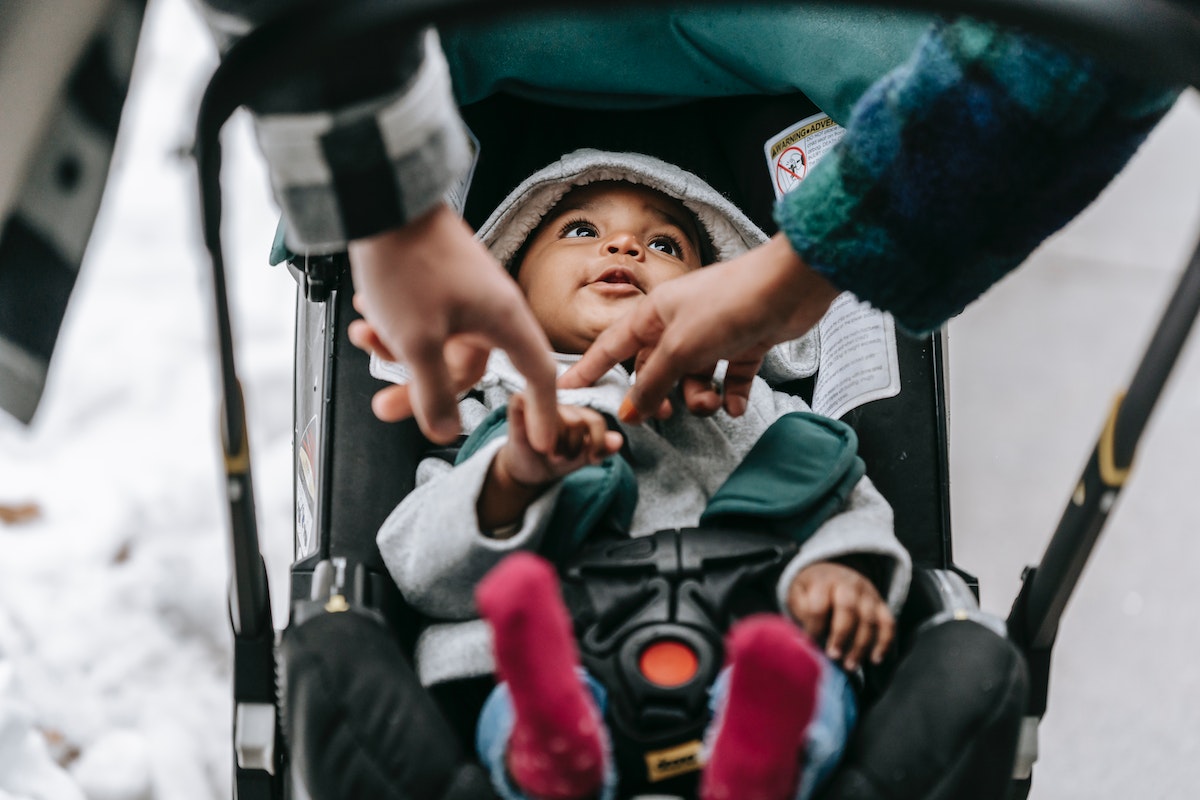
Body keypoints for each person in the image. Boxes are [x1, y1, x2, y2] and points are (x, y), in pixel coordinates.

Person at [356, 149, 912, 800]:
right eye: (581, 230)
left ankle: (759, 763)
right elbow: (420, 567)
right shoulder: (491, 420)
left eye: (665, 244)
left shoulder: (756, 409)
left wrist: (841, 567)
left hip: (744, 645)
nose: (625, 245)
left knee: (808, 676)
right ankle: (553, 751)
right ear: (509, 289)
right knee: (517, 683)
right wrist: (513, 479)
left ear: (718, 294)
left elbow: (843, 497)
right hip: (564, 654)